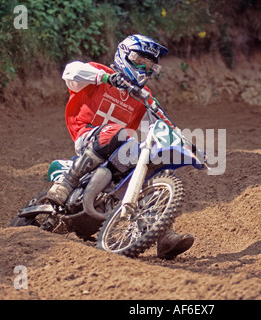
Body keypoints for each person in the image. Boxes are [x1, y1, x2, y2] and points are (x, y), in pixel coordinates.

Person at [47, 34, 194, 260]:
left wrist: (181, 141)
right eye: (138, 60)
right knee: (118, 131)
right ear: (124, 54)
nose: (144, 68)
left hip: (118, 150)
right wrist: (107, 78)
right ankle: (68, 183)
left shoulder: (144, 96)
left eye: (149, 65)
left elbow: (160, 125)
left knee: (160, 161)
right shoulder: (97, 72)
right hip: (87, 136)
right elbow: (70, 71)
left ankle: (162, 235)